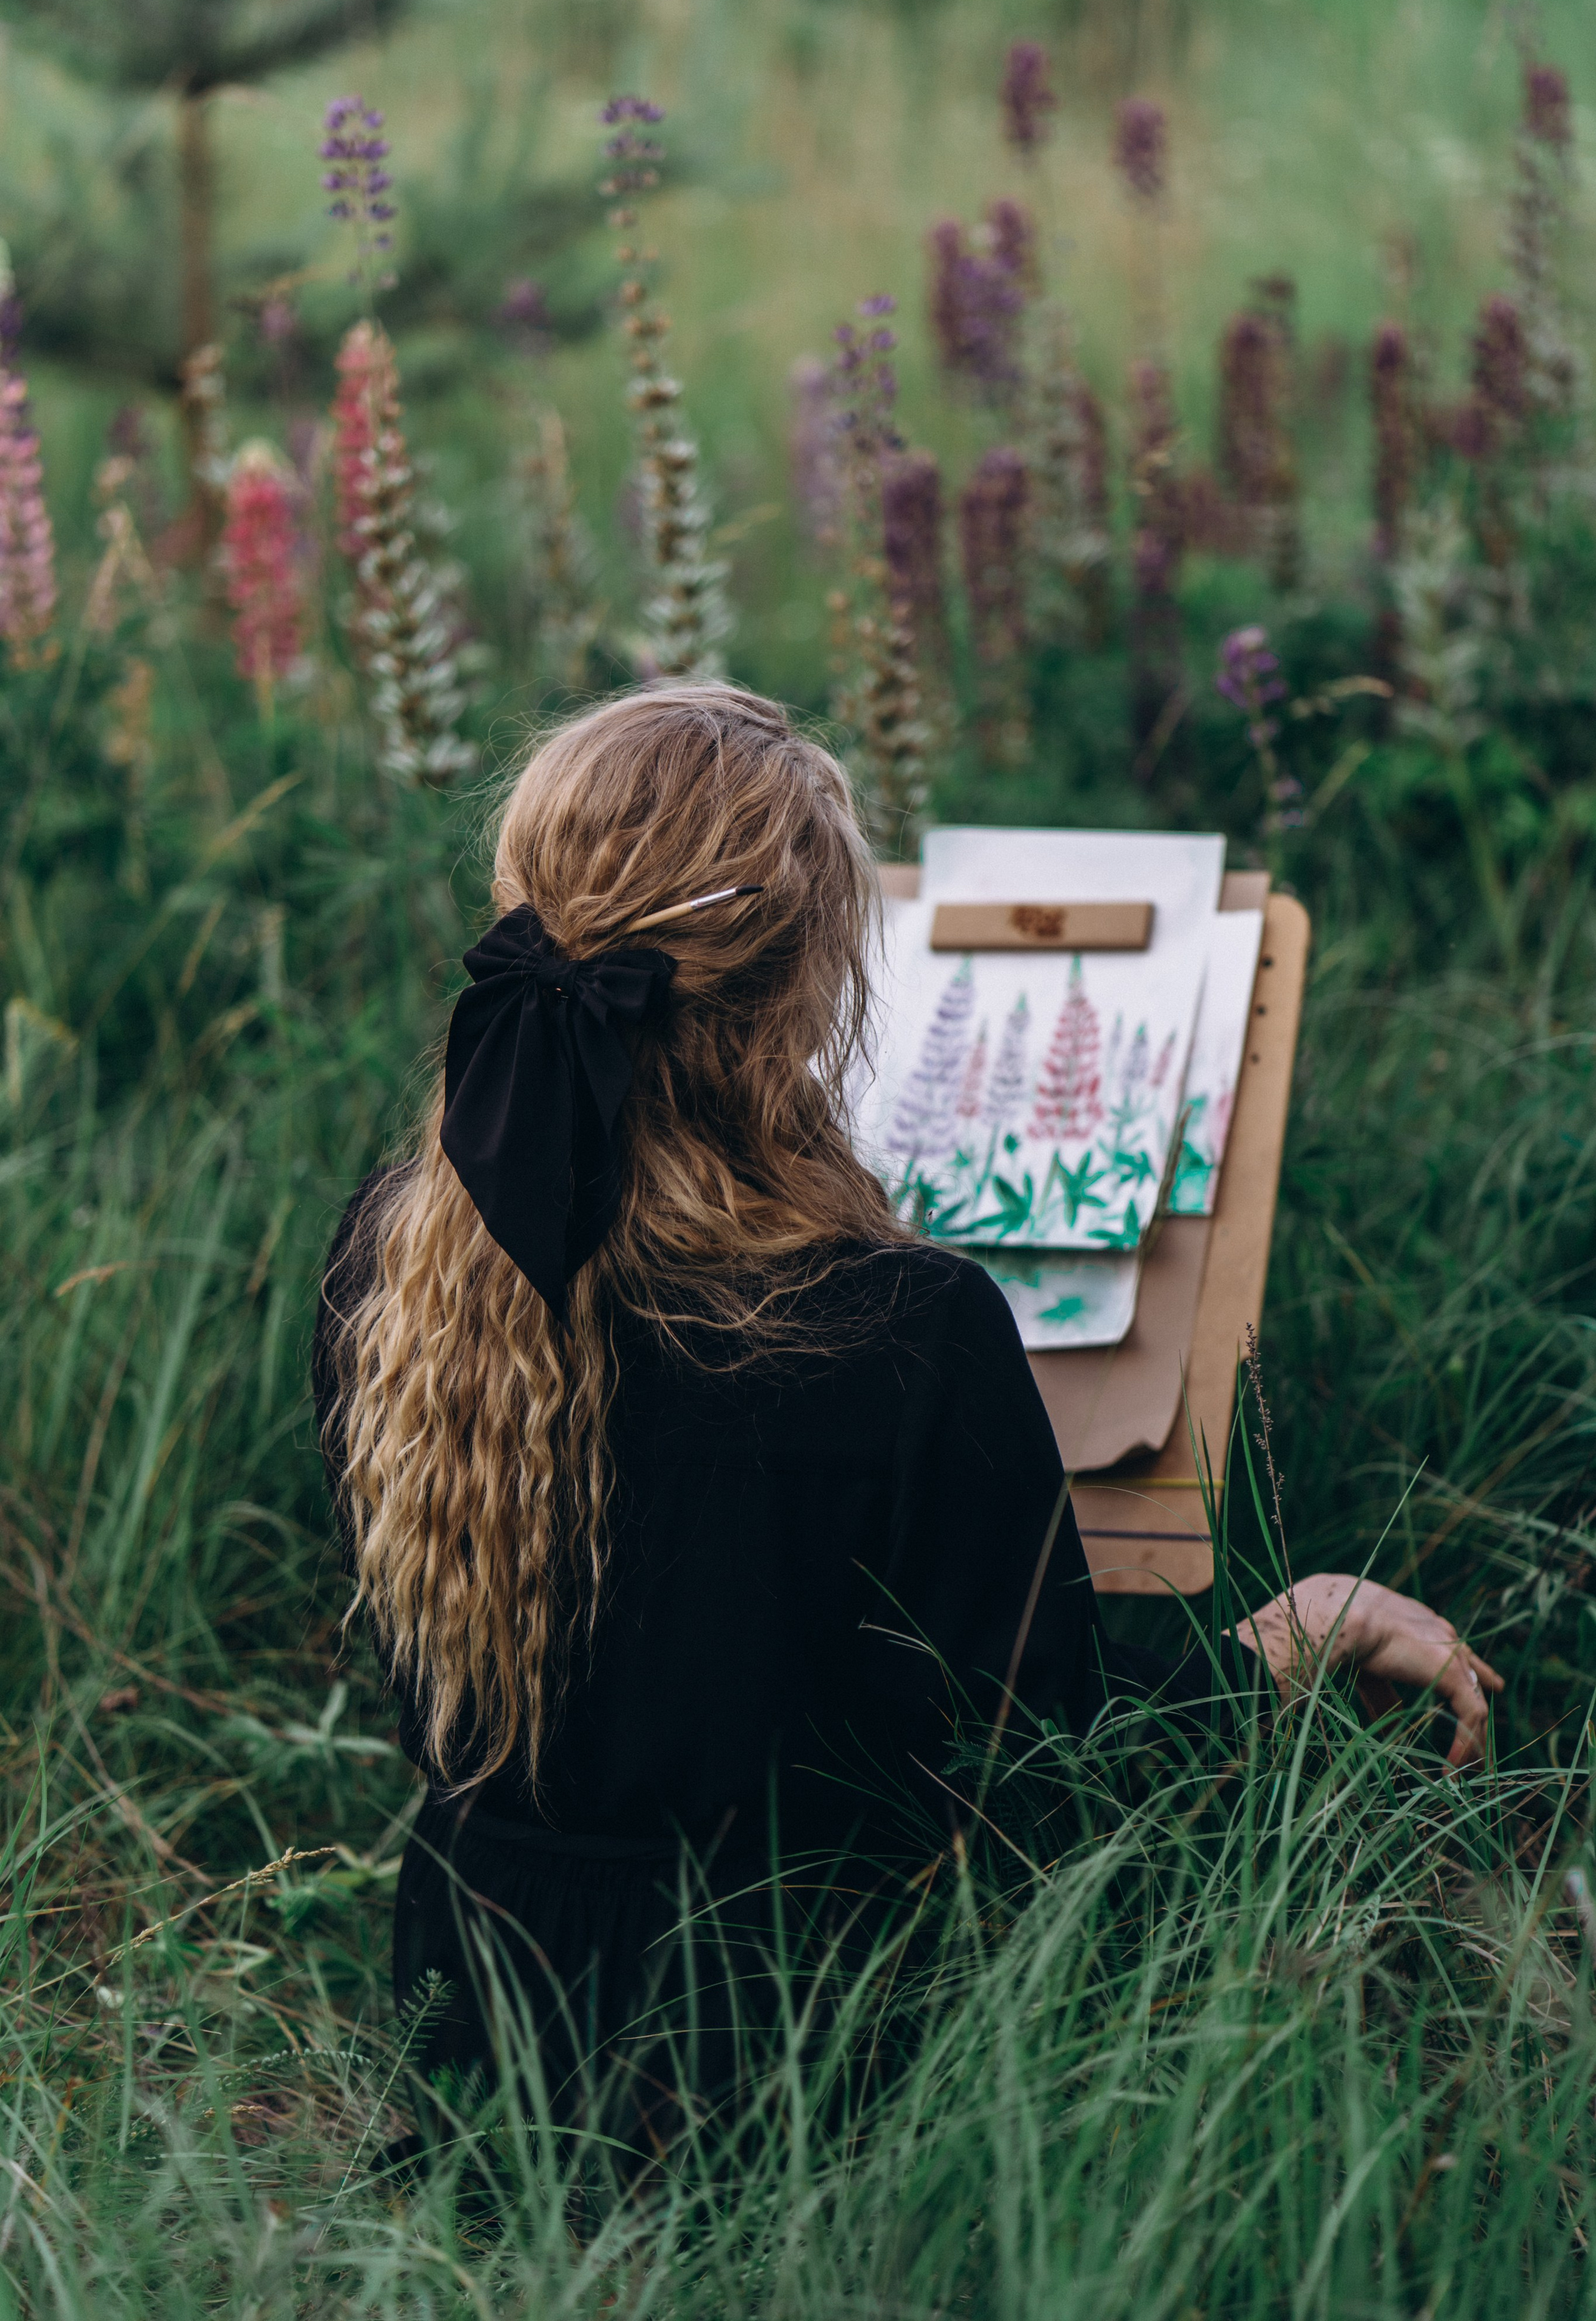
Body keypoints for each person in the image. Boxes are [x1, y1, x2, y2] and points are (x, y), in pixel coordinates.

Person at [313, 683, 1501, 2147]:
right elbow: (1058, 1764)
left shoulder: (398, 1261)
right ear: (805, 997)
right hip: (783, 2065)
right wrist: (1290, 1638)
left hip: (472, 2034)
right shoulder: (898, 1324)